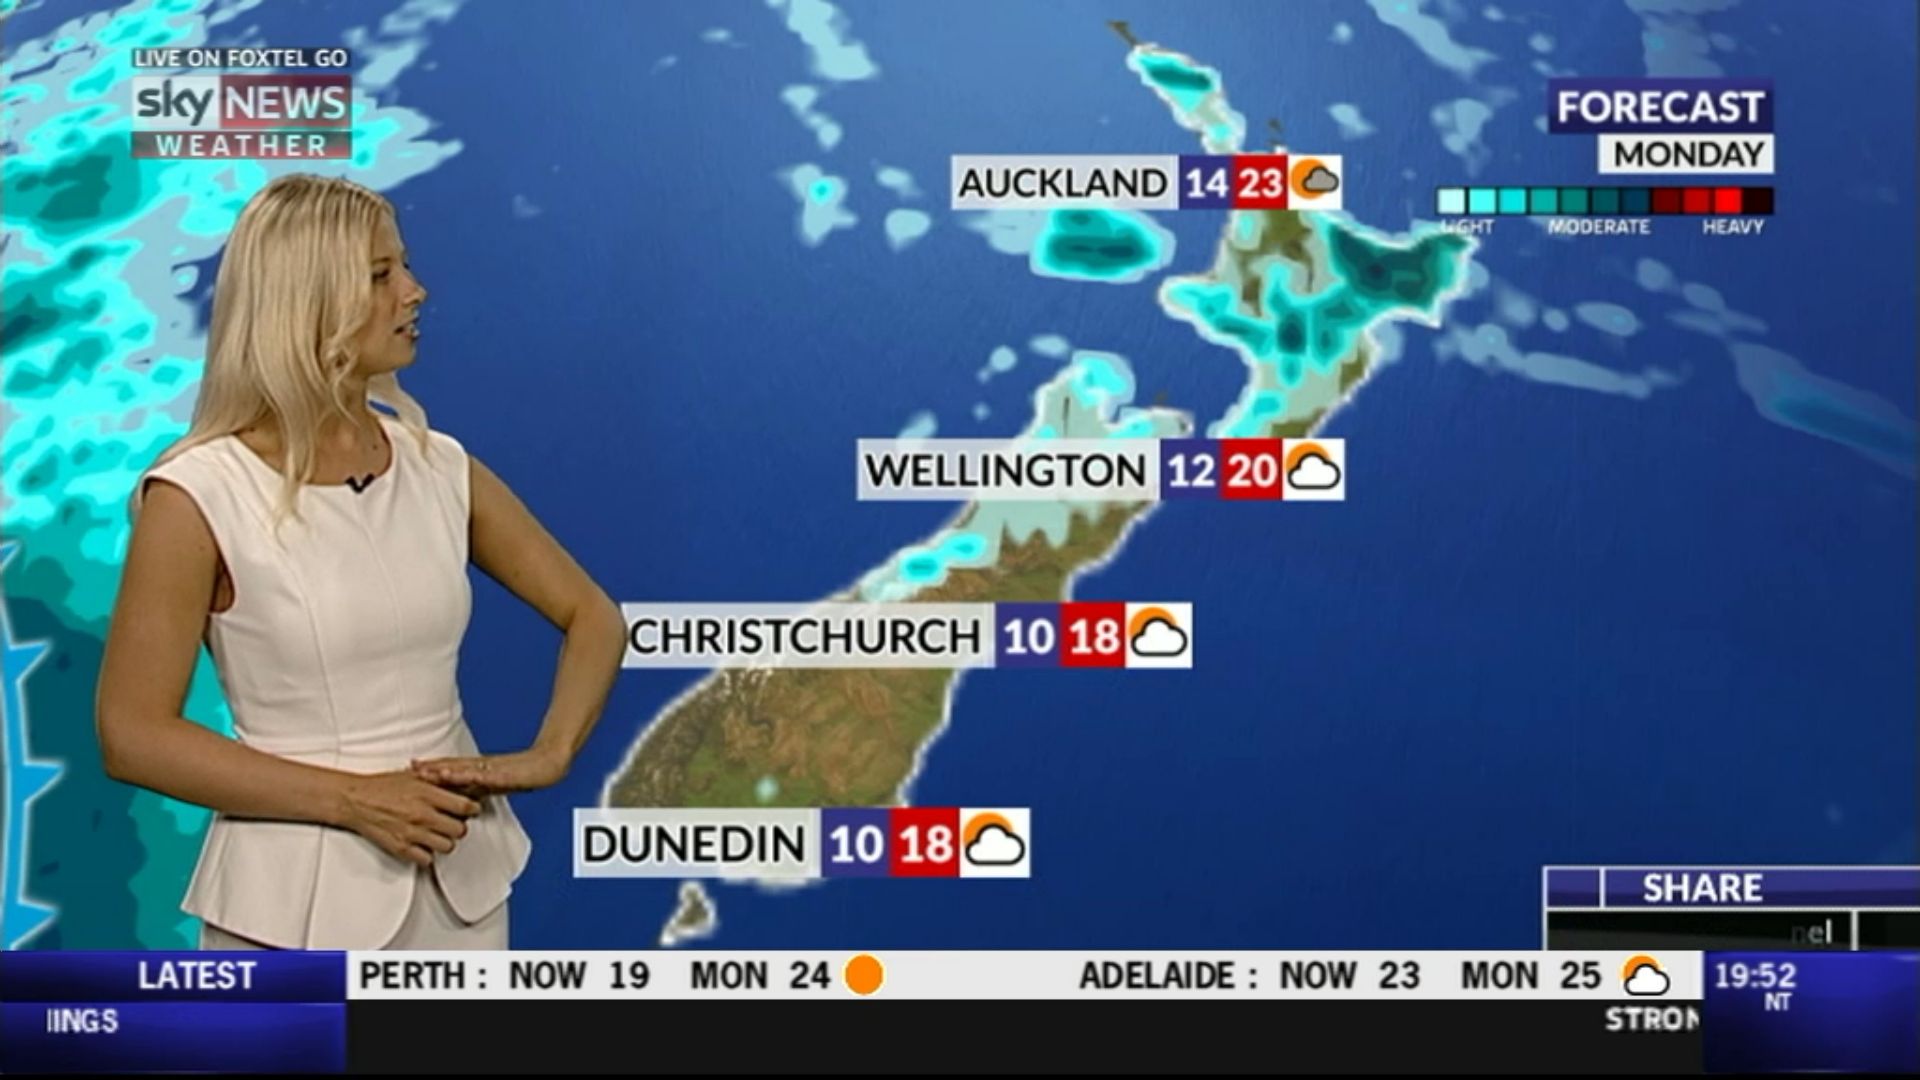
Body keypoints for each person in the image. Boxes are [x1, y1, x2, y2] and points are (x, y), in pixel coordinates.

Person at [95, 173, 628, 950]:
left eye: (403, 267)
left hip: (462, 893)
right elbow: (133, 733)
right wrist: (353, 800)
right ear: (306, 301)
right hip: (289, 912)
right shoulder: (198, 495)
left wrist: (549, 756)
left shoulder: (439, 467)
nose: (414, 291)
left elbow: (594, 617)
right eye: (381, 275)